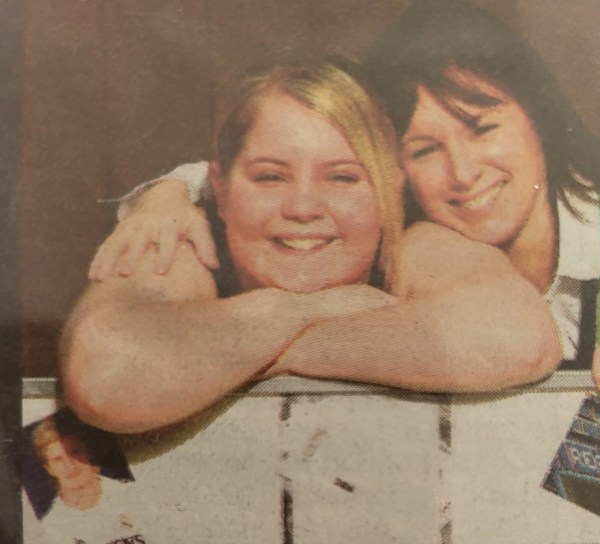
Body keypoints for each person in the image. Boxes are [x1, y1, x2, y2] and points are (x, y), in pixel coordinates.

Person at [95, 0, 600, 414]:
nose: (463, 173)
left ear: (541, 119)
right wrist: (166, 194)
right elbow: (282, 163)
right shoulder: (407, 227)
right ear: (396, 171)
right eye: (425, 148)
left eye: (482, 128)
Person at [64, 57, 560, 435]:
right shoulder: (183, 241)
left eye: (342, 178)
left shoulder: (414, 248)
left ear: (387, 190)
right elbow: (107, 375)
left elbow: (521, 337)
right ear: (220, 186)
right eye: (270, 177)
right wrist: (312, 308)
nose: (303, 207)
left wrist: (258, 351)